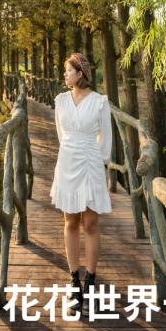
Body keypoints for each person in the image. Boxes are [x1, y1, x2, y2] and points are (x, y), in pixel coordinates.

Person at [50, 52, 113, 314]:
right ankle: (74, 281)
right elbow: (60, 133)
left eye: (68, 71)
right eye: (65, 71)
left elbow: (105, 138)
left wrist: (98, 163)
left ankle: (91, 282)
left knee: (90, 223)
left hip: (90, 163)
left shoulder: (99, 102)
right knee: (70, 222)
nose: (65, 75)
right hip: (67, 162)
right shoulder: (61, 101)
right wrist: (70, 153)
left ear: (80, 74)